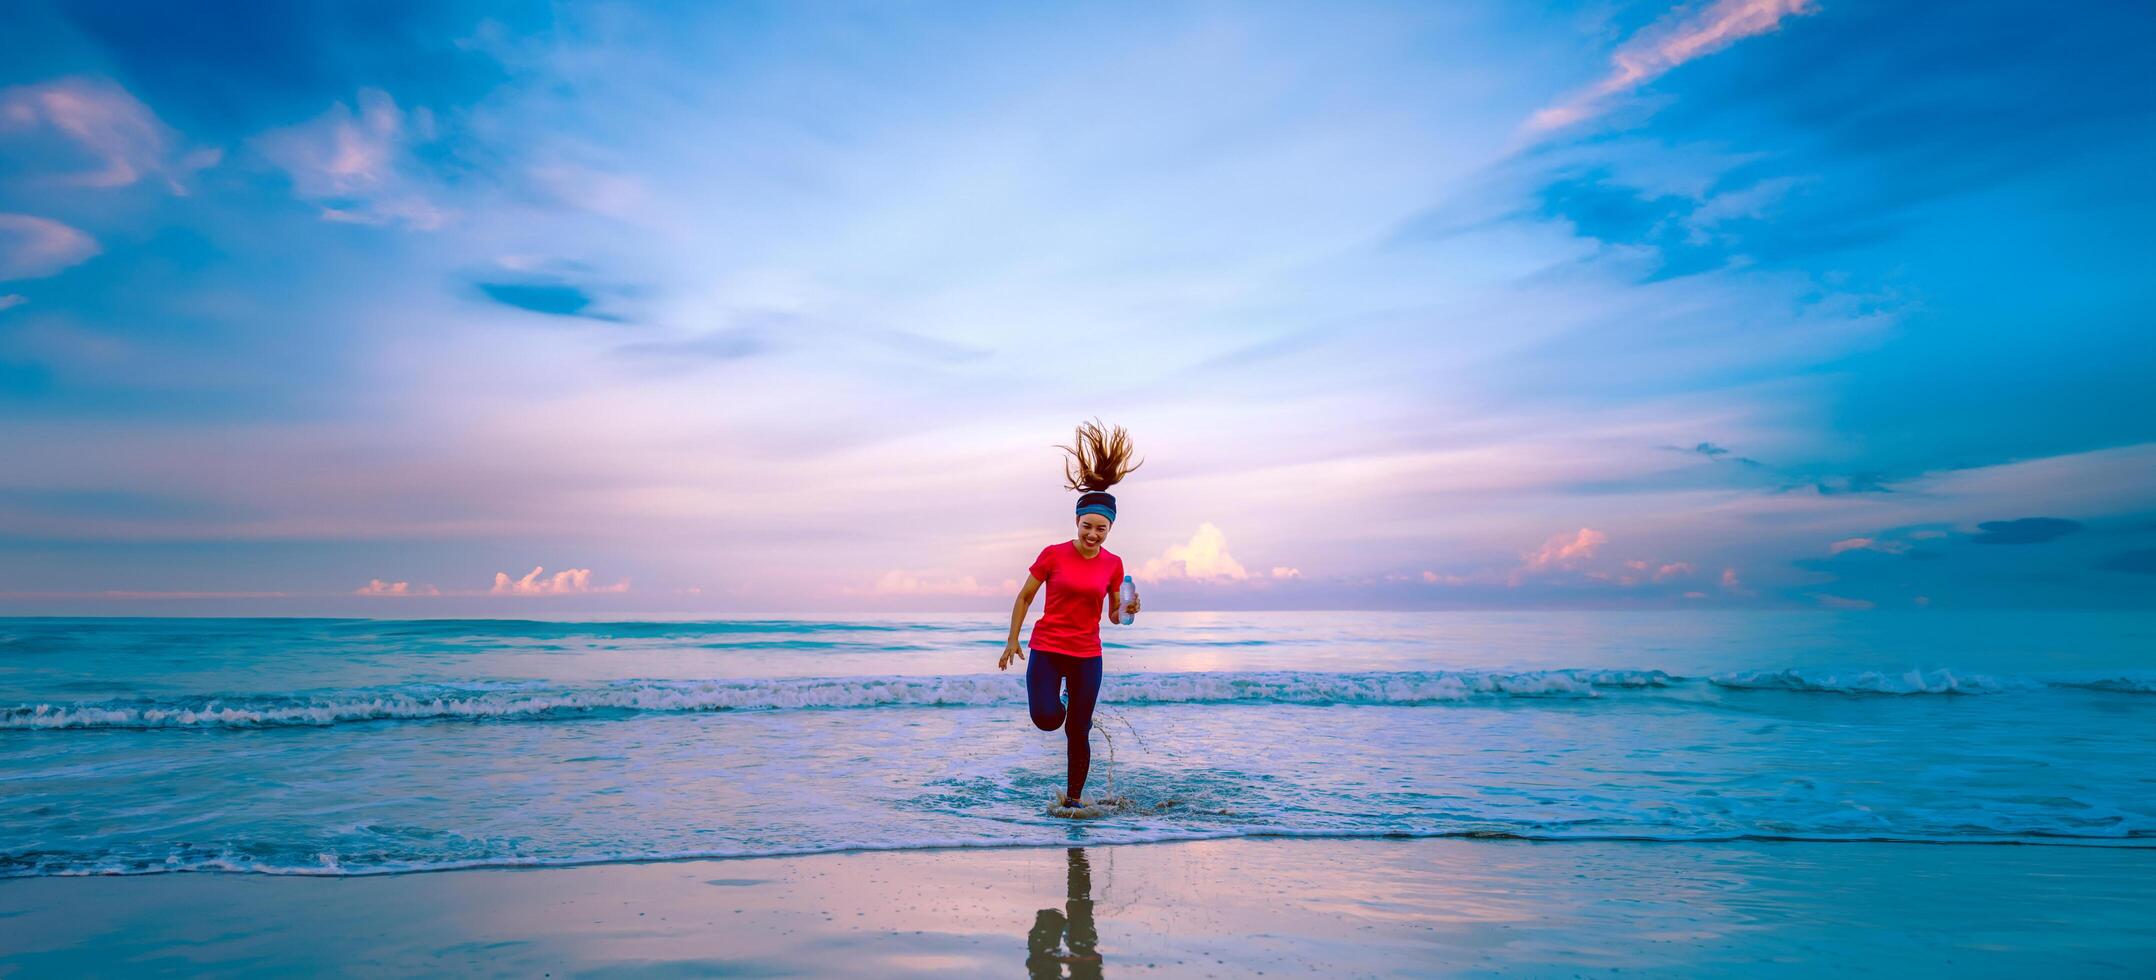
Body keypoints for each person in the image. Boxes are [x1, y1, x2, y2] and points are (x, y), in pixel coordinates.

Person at [999, 419, 1143, 812]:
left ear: (1109, 528)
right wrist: (1013, 639)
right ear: (1077, 522)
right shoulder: (1053, 554)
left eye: (1102, 528)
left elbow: (1114, 616)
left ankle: (1075, 801)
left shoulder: (1114, 564)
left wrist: (1128, 608)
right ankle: (1059, 699)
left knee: (1078, 730)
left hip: (1087, 654)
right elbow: (1026, 596)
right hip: (1048, 648)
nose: (1093, 534)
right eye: (1087, 526)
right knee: (1048, 719)